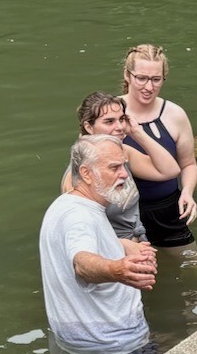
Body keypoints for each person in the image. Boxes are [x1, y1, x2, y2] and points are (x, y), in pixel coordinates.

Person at [42, 136, 159, 354]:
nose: (124, 174)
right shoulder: (79, 217)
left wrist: (123, 245)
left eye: (124, 166)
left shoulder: (70, 205)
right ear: (86, 173)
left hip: (83, 338)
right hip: (110, 343)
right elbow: (82, 263)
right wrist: (118, 269)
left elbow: (84, 245)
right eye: (114, 167)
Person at [67, 90, 183, 242]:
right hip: (115, 255)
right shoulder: (80, 173)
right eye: (109, 122)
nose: (120, 126)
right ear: (88, 127)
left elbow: (170, 170)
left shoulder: (123, 152)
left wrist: (137, 132)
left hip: (141, 243)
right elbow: (82, 230)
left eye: (121, 119)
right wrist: (125, 249)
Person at [122, 43, 197, 247]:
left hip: (167, 208)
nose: (149, 87)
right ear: (127, 75)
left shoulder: (175, 114)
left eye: (156, 80)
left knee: (194, 264)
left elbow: (188, 164)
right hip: (123, 214)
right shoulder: (110, 113)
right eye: (141, 78)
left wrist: (187, 192)